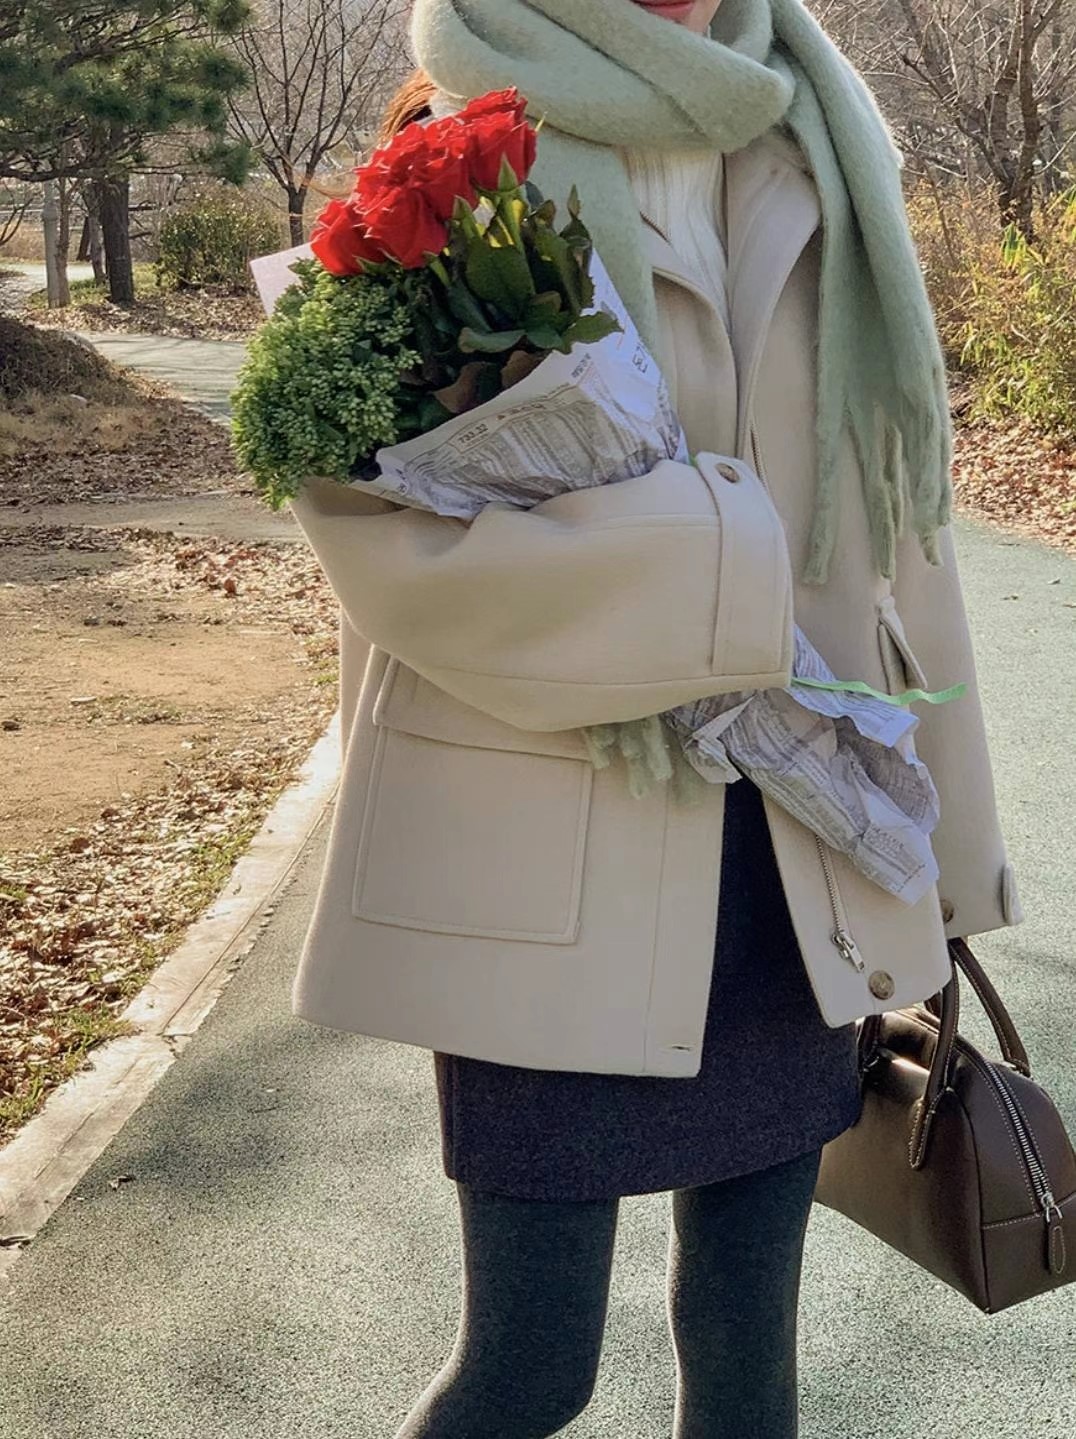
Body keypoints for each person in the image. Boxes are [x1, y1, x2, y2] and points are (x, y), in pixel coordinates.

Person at [286, 2, 1024, 1435]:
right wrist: (696, 580)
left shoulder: (817, 135)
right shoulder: (451, 154)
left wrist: (944, 859)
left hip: (797, 831)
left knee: (747, 1358)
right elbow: (378, 539)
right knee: (528, 1371)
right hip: (549, 849)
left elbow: (896, 534)